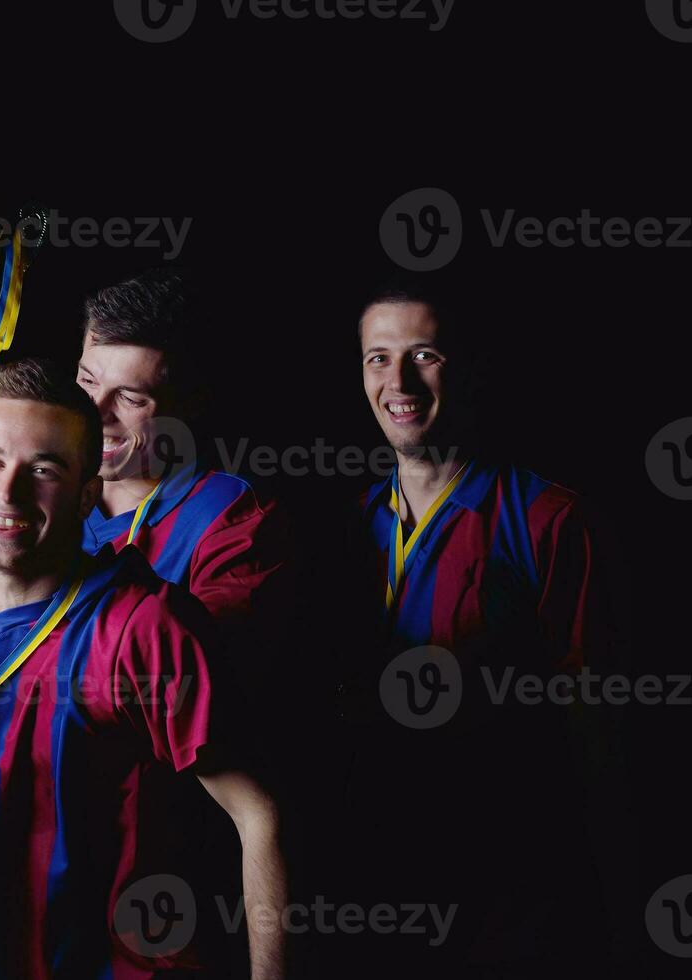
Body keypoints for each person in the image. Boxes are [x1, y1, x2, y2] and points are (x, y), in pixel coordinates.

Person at [0, 357, 284, 978]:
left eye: (43, 468)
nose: (7, 493)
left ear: (89, 492)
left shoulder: (146, 628)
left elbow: (260, 814)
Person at [336, 283, 607, 977]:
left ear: (464, 366)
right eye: (376, 358)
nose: (396, 382)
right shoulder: (343, 525)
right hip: (373, 878)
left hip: (508, 900)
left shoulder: (545, 519)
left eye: (422, 354)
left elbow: (597, 737)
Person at [0, 268, 291, 652]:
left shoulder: (228, 517)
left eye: (132, 398)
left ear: (187, 404)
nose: (96, 413)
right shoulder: (31, 468)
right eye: (87, 380)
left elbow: (200, 684)